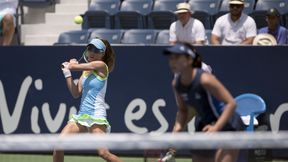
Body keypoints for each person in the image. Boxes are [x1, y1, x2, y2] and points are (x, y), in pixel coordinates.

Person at [162, 42, 245, 162]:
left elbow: (231, 104)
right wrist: (178, 130)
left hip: (229, 124)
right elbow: (183, 110)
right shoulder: (176, 84)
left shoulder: (205, 79)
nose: (172, 61)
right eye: (171, 58)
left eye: (177, 57)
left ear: (190, 60)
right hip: (205, 124)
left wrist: (216, 128)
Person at [54, 38, 122, 162]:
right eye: (90, 48)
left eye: (96, 50)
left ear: (102, 54)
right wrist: (67, 74)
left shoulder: (102, 66)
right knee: (58, 145)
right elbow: (76, 93)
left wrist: (72, 65)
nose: (92, 52)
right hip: (81, 117)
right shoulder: (85, 72)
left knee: (103, 153)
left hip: (96, 116)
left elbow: (75, 66)